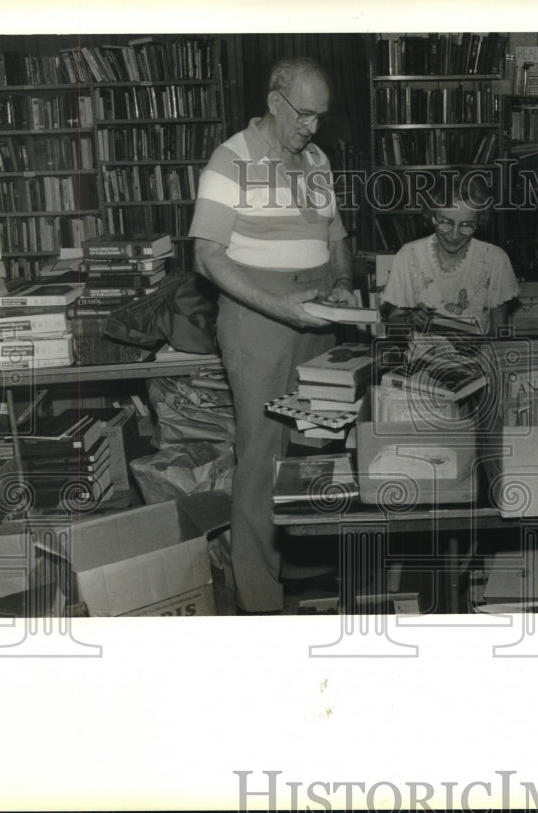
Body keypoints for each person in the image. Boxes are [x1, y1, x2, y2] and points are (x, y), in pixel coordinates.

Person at [189, 57, 355, 614]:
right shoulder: (230, 160)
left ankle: (306, 573)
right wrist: (280, 306)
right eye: (304, 114)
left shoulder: (316, 159)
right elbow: (207, 258)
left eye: (321, 117)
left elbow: (334, 235)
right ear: (275, 102)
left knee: (316, 445)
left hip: (317, 317)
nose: (312, 126)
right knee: (262, 456)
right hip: (256, 316)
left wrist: (342, 284)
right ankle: (259, 598)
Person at [380, 173, 519, 336]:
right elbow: (393, 324)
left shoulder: (496, 259)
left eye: (466, 225)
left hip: (479, 360)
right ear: (433, 217)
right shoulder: (408, 256)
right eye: (446, 222)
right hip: (421, 360)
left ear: (478, 223)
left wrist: (479, 344)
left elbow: (500, 332)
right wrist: (410, 319)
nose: (454, 236)